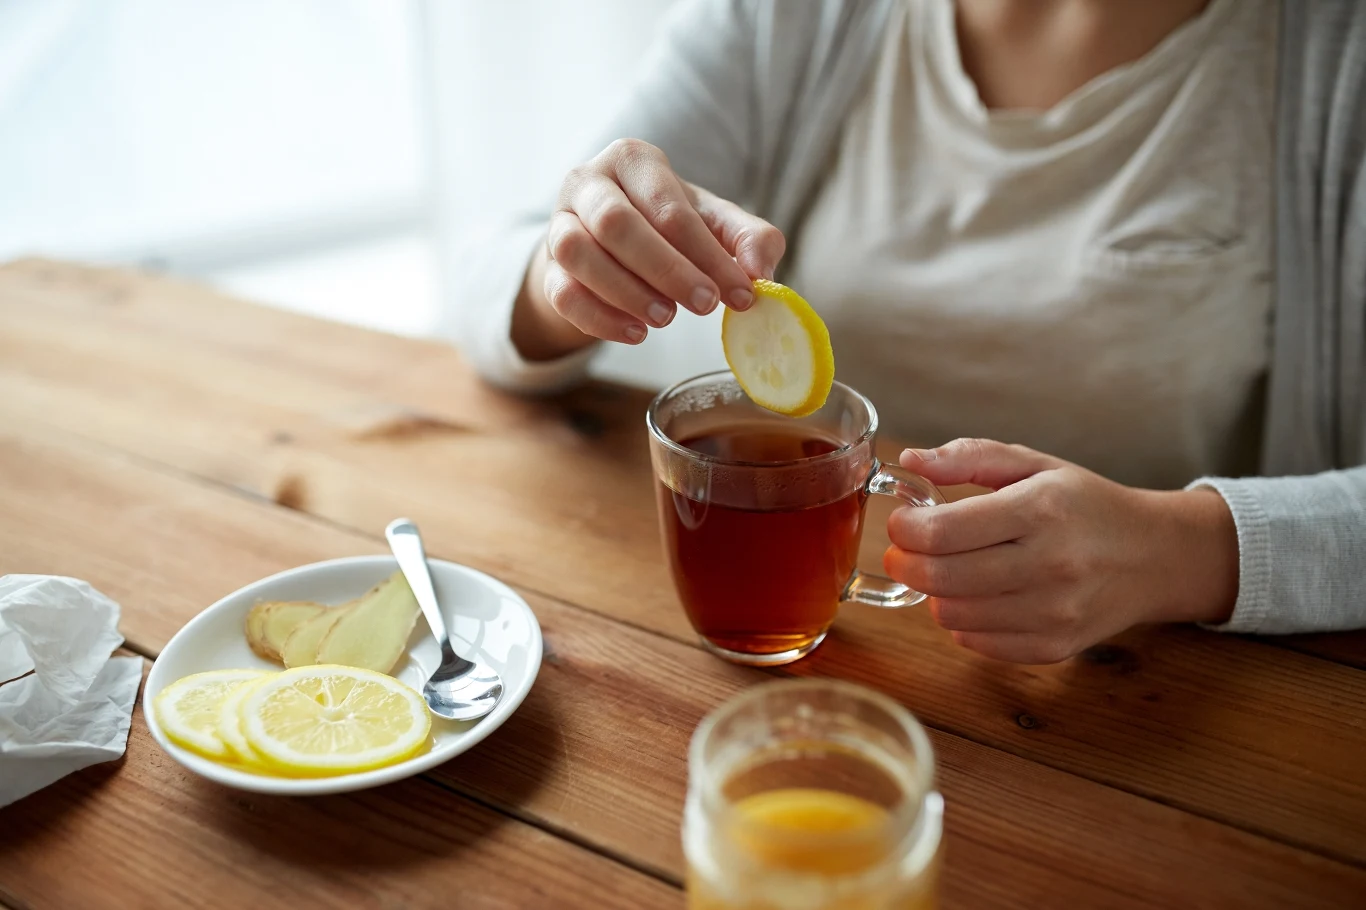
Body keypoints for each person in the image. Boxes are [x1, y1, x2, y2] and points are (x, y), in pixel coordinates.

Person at [458, 0, 1366, 663]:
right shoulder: (796, 20)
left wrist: (1182, 550)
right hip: (835, 679)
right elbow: (492, 288)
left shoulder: (1335, 59)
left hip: (1177, 706)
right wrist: (570, 266)